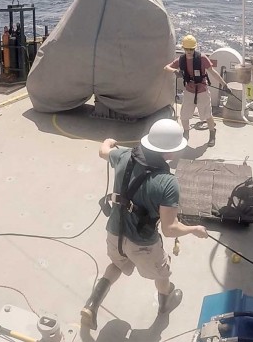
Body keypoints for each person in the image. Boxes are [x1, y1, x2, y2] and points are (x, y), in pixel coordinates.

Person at [81, 119, 209, 330]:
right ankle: (165, 304)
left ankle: (92, 304)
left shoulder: (124, 156)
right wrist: (194, 230)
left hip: (115, 232)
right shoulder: (168, 183)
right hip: (143, 244)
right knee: (162, 274)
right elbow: (170, 230)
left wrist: (108, 141)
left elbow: (103, 151)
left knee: (116, 264)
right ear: (170, 153)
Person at [163, 34, 229, 147]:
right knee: (184, 115)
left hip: (202, 90)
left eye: (191, 49)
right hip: (189, 91)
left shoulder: (202, 58)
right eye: (187, 49)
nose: (189, 51)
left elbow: (213, 72)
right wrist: (174, 70)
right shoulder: (181, 60)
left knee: (207, 114)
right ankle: (186, 133)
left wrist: (224, 85)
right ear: (183, 48)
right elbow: (166, 67)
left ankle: (212, 134)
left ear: (195, 48)